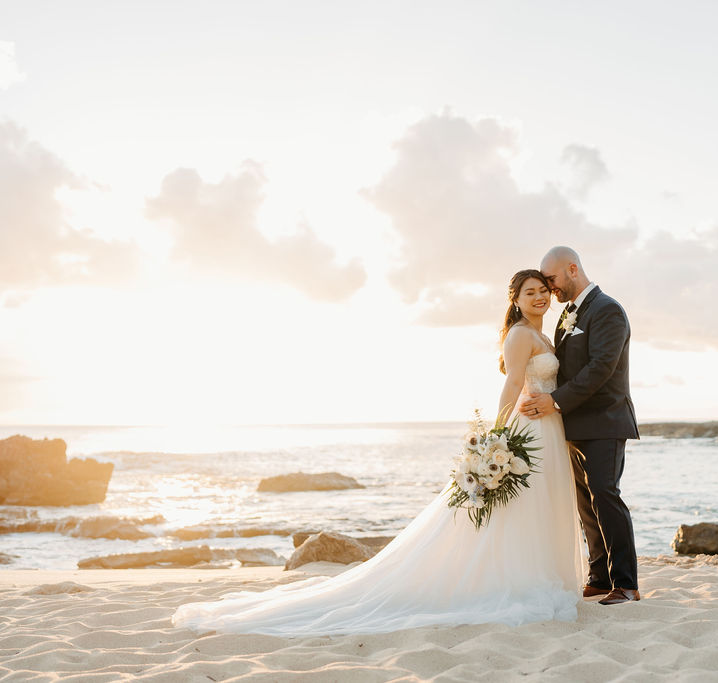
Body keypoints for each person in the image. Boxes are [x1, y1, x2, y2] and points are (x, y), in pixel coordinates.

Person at [171, 269, 585, 636]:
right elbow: (513, 384)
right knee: (519, 509)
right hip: (526, 428)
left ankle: (537, 574)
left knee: (538, 506)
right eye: (529, 291)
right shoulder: (519, 335)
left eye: (543, 291)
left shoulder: (543, 334)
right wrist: (498, 436)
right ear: (515, 299)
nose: (539, 297)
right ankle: (512, 580)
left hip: (546, 426)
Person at [520, 246, 640, 605]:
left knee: (606, 496)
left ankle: (627, 584)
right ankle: (600, 577)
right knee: (586, 503)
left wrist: (554, 401)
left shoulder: (607, 310)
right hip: (572, 424)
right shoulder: (568, 315)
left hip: (605, 419)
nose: (549, 288)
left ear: (572, 269)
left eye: (552, 280)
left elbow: (601, 368)